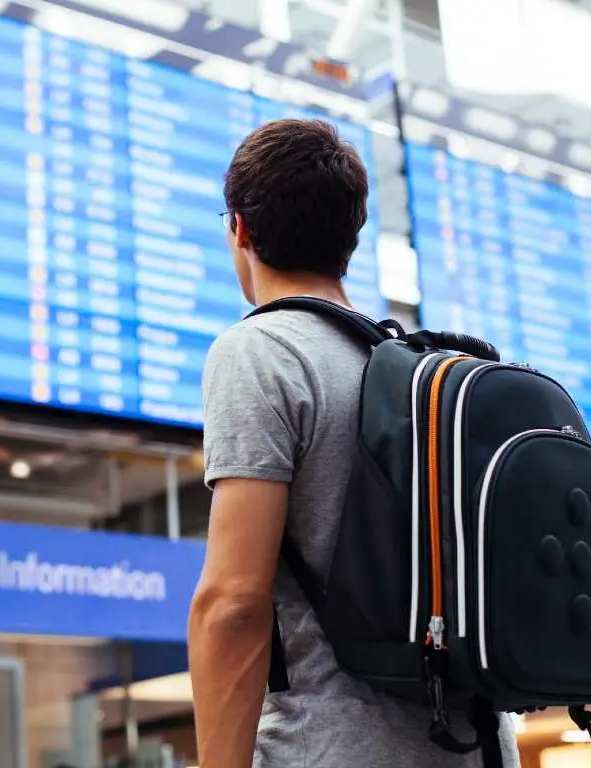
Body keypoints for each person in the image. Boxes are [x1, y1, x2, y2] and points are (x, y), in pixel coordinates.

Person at [187, 119, 521, 768]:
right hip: (477, 748)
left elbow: (231, 604)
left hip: (336, 748)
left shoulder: (261, 351)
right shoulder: (421, 373)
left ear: (240, 231)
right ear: (352, 238)